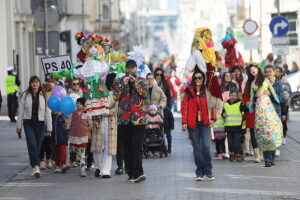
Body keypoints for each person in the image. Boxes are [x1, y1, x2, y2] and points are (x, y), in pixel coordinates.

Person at [113, 60, 148, 183]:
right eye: (128, 68)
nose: (130, 71)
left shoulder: (142, 81)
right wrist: (123, 84)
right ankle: (130, 173)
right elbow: (115, 96)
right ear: (125, 69)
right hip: (124, 119)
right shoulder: (119, 81)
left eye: (132, 68)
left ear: (136, 69)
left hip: (138, 119)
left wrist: (136, 84)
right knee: (127, 147)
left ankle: (139, 173)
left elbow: (145, 95)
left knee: (137, 146)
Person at [181, 69, 216, 181]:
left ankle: (208, 170)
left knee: (206, 146)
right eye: (195, 78)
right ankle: (199, 172)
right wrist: (184, 121)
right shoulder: (188, 91)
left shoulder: (207, 90)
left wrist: (213, 118)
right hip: (193, 123)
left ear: (203, 79)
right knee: (197, 148)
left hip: (205, 122)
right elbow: (184, 106)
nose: (197, 80)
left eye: (200, 77)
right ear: (193, 79)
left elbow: (212, 104)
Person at [16, 76, 52, 178]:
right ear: (30, 84)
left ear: (39, 84)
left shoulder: (44, 95)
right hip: (28, 123)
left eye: (36, 82)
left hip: (40, 123)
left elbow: (47, 112)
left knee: (38, 145)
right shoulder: (25, 95)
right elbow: (21, 111)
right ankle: (35, 166)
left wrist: (49, 128)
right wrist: (19, 126)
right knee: (32, 143)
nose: (35, 84)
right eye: (33, 82)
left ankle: (35, 164)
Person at [248, 64, 283, 167]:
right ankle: (267, 159)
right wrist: (250, 104)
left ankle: (271, 157)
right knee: (263, 132)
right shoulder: (253, 83)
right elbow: (251, 95)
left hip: (269, 108)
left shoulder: (266, 81)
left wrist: (275, 97)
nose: (252, 71)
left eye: (254, 69)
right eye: (250, 70)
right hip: (259, 109)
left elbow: (272, 90)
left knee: (272, 132)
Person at [92, 73, 118, 178]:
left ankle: (105, 171)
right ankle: (98, 167)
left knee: (108, 146)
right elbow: (95, 106)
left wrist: (105, 111)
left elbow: (116, 108)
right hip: (99, 120)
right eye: (115, 80)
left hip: (111, 121)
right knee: (98, 146)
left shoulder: (117, 94)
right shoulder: (100, 92)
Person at [265, 65, 286, 157]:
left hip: (275, 111)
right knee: (266, 133)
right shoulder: (263, 82)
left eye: (270, 71)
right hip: (264, 112)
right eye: (266, 72)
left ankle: (274, 152)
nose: (268, 73)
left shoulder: (278, 83)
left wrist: (270, 94)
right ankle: (268, 156)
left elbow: (282, 98)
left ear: (273, 72)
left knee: (275, 133)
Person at [68, 98, 92, 177]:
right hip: (74, 136)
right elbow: (68, 125)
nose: (78, 105)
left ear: (84, 105)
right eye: (77, 103)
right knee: (75, 152)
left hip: (83, 136)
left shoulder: (87, 114)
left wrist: (93, 126)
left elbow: (90, 124)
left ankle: (82, 169)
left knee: (82, 153)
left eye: (80, 103)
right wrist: (66, 125)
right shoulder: (72, 114)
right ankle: (75, 163)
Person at [222, 89, 247, 162]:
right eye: (232, 95)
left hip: (238, 127)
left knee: (237, 141)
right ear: (229, 96)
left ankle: (238, 154)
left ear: (237, 96)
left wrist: (245, 105)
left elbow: (245, 110)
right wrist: (223, 115)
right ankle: (231, 153)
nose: (233, 97)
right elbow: (223, 113)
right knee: (230, 141)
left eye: (235, 96)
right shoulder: (225, 104)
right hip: (229, 126)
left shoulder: (240, 103)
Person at [275, 67, 292, 144]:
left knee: (283, 121)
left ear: (281, 73)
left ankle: (284, 137)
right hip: (276, 104)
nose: (276, 73)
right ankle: (278, 136)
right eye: (275, 71)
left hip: (284, 104)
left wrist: (283, 96)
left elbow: (289, 92)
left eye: (278, 71)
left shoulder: (285, 82)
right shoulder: (273, 80)